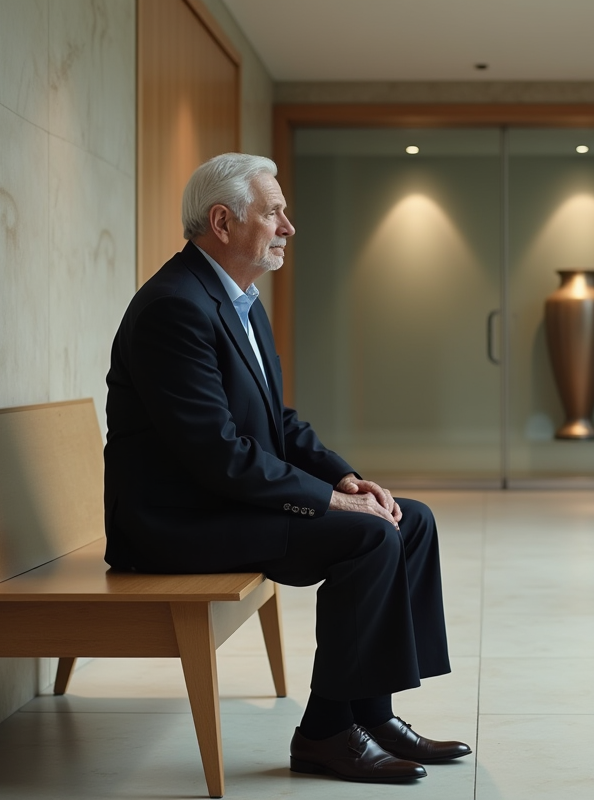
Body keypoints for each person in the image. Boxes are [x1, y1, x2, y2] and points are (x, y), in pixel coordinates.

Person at [102, 152, 470, 783]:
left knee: (408, 519)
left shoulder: (235, 300)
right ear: (222, 222)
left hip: (221, 501)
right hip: (174, 524)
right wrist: (331, 505)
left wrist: (345, 479)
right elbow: (218, 453)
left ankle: (369, 713)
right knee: (367, 533)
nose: (288, 227)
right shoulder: (174, 309)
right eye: (274, 212)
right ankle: (326, 733)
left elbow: (277, 423)